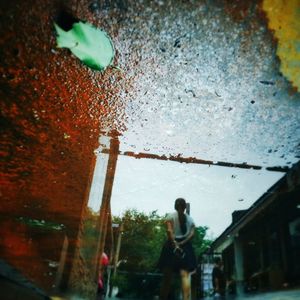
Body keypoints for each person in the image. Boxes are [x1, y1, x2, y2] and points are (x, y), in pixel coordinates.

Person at [158, 198, 197, 300]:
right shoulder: (190, 219)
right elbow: (192, 234)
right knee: (184, 275)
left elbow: (169, 231)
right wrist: (180, 243)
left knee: (168, 278)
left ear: (175, 206)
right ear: (184, 207)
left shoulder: (171, 216)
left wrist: (176, 244)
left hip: (173, 245)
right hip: (181, 245)